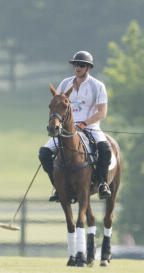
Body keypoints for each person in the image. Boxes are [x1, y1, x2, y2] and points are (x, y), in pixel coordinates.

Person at [39, 51, 112, 201]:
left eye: (81, 65)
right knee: (44, 153)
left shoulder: (97, 86)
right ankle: (58, 188)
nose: (77, 67)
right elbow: (57, 104)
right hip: (67, 130)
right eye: (75, 65)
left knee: (105, 149)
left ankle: (102, 183)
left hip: (90, 127)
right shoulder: (65, 83)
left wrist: (84, 123)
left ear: (88, 68)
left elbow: (102, 112)